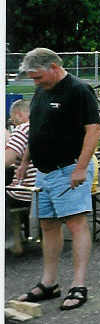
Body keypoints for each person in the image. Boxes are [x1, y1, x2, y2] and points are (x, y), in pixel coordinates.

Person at [15, 48, 100, 311]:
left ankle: (78, 285)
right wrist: (27, 160)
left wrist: (80, 168)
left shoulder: (78, 90)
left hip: (69, 169)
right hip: (45, 171)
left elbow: (93, 130)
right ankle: (49, 283)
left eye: (38, 77)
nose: (35, 83)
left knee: (76, 224)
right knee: (48, 226)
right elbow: (37, 129)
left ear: (54, 67)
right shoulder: (42, 90)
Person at [5, 99, 37, 255]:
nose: (13, 122)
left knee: (7, 196)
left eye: (13, 119)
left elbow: (7, 160)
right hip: (44, 190)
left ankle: (13, 240)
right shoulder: (41, 127)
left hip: (25, 193)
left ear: (18, 114)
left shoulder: (21, 129)